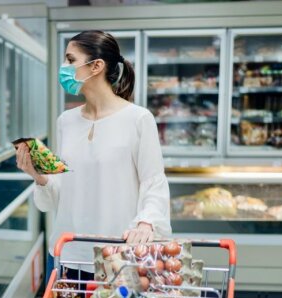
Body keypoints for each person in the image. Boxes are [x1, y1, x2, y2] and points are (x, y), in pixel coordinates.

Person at [16, 30, 171, 284]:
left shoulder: (138, 119)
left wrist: (146, 222)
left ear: (96, 66)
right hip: (69, 253)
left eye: (70, 59)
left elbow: (153, 182)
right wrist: (39, 176)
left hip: (118, 256)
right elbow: (63, 191)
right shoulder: (66, 121)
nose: (63, 68)